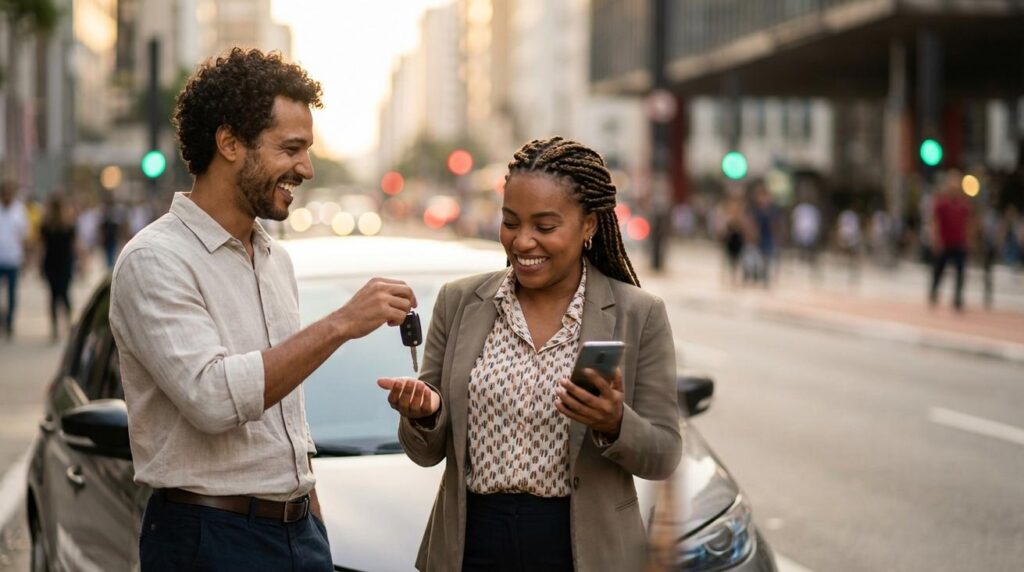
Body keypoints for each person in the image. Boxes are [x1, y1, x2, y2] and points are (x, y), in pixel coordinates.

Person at [109, 48, 417, 571]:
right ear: (229, 143)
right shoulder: (153, 260)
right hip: (207, 538)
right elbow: (211, 398)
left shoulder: (276, 260)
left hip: (299, 533)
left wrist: (309, 513)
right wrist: (342, 323)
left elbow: (286, 418)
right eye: (291, 148)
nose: (307, 168)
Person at [377, 137, 682, 571]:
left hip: (581, 549)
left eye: (544, 226)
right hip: (472, 544)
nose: (522, 242)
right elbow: (426, 452)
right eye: (510, 222)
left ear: (589, 225)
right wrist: (424, 414)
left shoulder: (639, 314)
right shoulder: (458, 302)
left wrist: (615, 423)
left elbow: (664, 453)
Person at [929, 169, 972, 310]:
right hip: (945, 242)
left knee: (960, 272)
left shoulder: (963, 204)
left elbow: (968, 223)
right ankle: (934, 292)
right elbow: (934, 222)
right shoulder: (941, 203)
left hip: (959, 242)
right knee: (939, 270)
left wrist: (968, 240)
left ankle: (958, 298)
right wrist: (936, 240)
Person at [39, 194, 78, 340]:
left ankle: (56, 326)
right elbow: (75, 246)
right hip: (64, 263)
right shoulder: (67, 225)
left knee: (54, 295)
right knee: (64, 294)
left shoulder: (49, 225)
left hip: (52, 264)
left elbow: (41, 247)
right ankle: (66, 322)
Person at [0, 182, 29, 340]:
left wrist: (26, 259)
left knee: (11, 294)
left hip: (13, 259)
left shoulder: (19, 211)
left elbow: (25, 235)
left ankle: (10, 321)